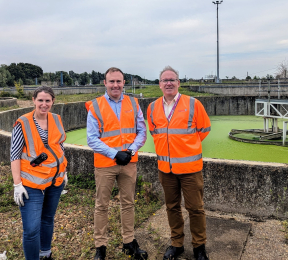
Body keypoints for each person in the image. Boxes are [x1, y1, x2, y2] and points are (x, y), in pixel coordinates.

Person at [147, 66, 211, 260]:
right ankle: (177, 244)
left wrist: (186, 149)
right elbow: (155, 132)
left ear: (178, 83)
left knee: (195, 208)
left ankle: (199, 247)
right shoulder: (152, 107)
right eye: (165, 80)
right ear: (159, 85)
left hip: (190, 169)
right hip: (166, 169)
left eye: (172, 80)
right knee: (171, 207)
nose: (168, 83)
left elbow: (204, 130)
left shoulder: (193, 104)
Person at [86, 67, 148, 260]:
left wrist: (129, 152)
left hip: (128, 163)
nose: (115, 85)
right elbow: (92, 138)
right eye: (111, 81)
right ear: (105, 83)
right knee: (101, 205)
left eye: (119, 81)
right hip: (105, 164)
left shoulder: (133, 102)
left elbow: (142, 131)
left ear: (124, 83)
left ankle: (129, 242)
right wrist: (115, 154)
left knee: (128, 203)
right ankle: (100, 247)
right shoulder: (95, 106)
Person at [11, 86, 68, 260]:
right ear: (34, 100)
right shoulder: (23, 123)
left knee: (47, 219)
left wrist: (63, 171)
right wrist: (17, 184)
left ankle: (45, 253)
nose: (44, 104)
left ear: (53, 102)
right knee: (31, 229)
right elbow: (14, 154)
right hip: (31, 184)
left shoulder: (56, 119)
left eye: (47, 100)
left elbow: (59, 146)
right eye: (40, 100)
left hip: (55, 181)